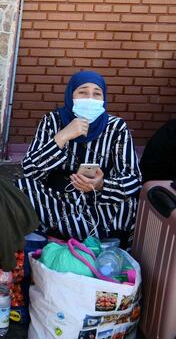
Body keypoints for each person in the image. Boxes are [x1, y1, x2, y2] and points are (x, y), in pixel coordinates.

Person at [14, 71, 142, 247]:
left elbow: (134, 179)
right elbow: (29, 170)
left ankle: (76, 240)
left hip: (100, 205)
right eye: (82, 92)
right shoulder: (52, 121)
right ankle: (81, 241)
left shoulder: (116, 127)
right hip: (57, 202)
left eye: (97, 94)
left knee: (131, 201)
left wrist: (101, 185)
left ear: (104, 99)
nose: (90, 98)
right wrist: (62, 136)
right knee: (22, 186)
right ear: (70, 94)